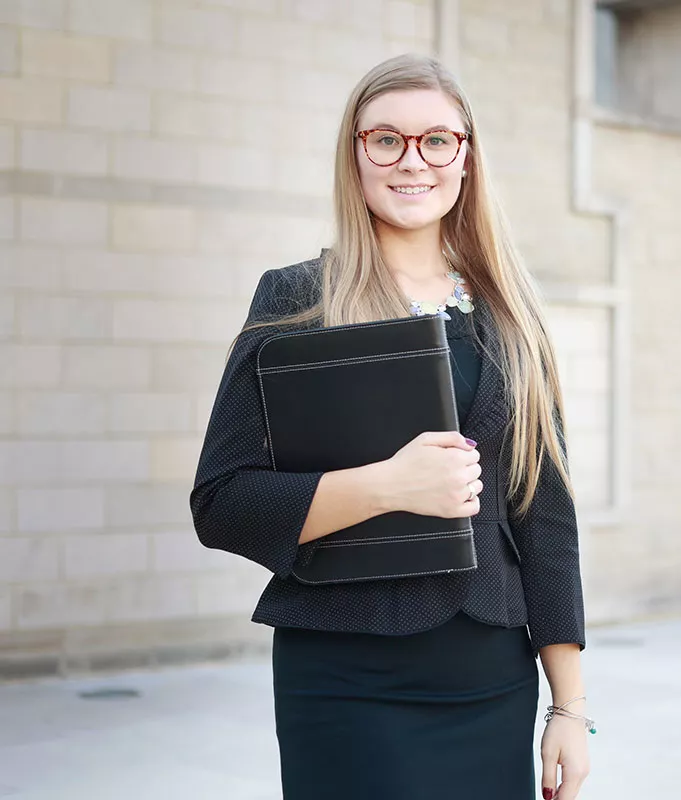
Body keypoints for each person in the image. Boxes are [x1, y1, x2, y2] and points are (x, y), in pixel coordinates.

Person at [190, 53, 591, 800]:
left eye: (438, 140)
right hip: (346, 677)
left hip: (490, 678)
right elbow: (222, 502)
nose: (414, 161)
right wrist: (387, 486)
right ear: (356, 153)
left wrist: (569, 705)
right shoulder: (297, 299)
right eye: (387, 140)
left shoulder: (514, 316)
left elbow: (546, 521)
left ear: (466, 157)